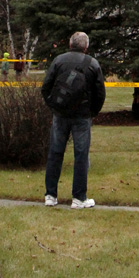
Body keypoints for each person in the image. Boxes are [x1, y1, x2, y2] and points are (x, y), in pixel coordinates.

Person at [42, 31, 106, 209]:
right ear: (86, 47)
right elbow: (100, 92)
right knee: (81, 155)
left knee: (55, 153)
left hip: (60, 114)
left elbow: (46, 86)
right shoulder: (93, 63)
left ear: (70, 44)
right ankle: (79, 198)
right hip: (82, 116)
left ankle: (50, 195)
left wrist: (53, 105)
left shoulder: (59, 61)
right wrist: (93, 111)